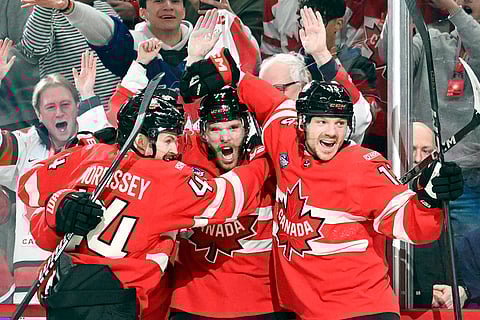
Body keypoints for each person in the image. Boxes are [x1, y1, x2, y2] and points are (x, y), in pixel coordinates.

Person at [179, 6, 465, 319]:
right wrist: (227, 72)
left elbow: (410, 224)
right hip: (306, 310)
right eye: (322, 123)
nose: (331, 132)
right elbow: (270, 101)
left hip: (362, 311)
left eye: (339, 124)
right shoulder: (284, 138)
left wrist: (428, 200)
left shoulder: (363, 166)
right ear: (302, 123)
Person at [17, 87, 273, 319]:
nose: (176, 148)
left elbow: (28, 185)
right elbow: (230, 197)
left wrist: (59, 205)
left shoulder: (93, 154)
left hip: (63, 291)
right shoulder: (169, 179)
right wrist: (261, 158)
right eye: (169, 139)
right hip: (116, 304)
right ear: (141, 141)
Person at [0, 50, 110, 303]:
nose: (59, 113)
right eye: (50, 107)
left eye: (66, 105)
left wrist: (89, 96)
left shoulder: (95, 141)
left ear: (77, 108)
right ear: (39, 114)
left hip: (88, 265)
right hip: (33, 267)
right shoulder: (25, 145)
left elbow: (109, 154)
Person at [170, 87, 285, 319]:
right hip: (192, 304)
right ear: (203, 133)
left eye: (233, 127)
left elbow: (284, 114)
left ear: (246, 128)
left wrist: (240, 79)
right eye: (215, 129)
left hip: (261, 305)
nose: (225, 138)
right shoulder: (183, 155)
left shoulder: (272, 160)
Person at [380, 0, 480, 243]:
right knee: (423, 262)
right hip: (423, 172)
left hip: (470, 177)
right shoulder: (432, 39)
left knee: (468, 266)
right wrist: (399, 7)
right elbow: (390, 55)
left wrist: (453, 9)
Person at [21, 0, 260, 90]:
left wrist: (234, 21)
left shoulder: (210, 38)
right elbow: (109, 34)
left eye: (175, 1)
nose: (168, 6)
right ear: (143, 12)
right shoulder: (134, 46)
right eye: (158, 1)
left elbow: (252, 67)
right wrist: (68, 7)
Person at [20, 0, 121, 107]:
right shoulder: (48, 12)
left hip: (113, 113)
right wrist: (44, 7)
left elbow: (124, 54)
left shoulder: (103, 7)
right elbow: (34, 48)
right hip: (71, 114)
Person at [411, 121, 468, 309]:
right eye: (412, 149)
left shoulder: (440, 202)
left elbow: (454, 268)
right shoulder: (384, 202)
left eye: (426, 151)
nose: (418, 158)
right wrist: (422, 295)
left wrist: (461, 290)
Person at [258, 52, 372, 144]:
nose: (268, 97)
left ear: (303, 86)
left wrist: (321, 53)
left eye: (278, 89)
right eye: (263, 91)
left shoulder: (324, 124)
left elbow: (360, 116)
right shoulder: (253, 126)